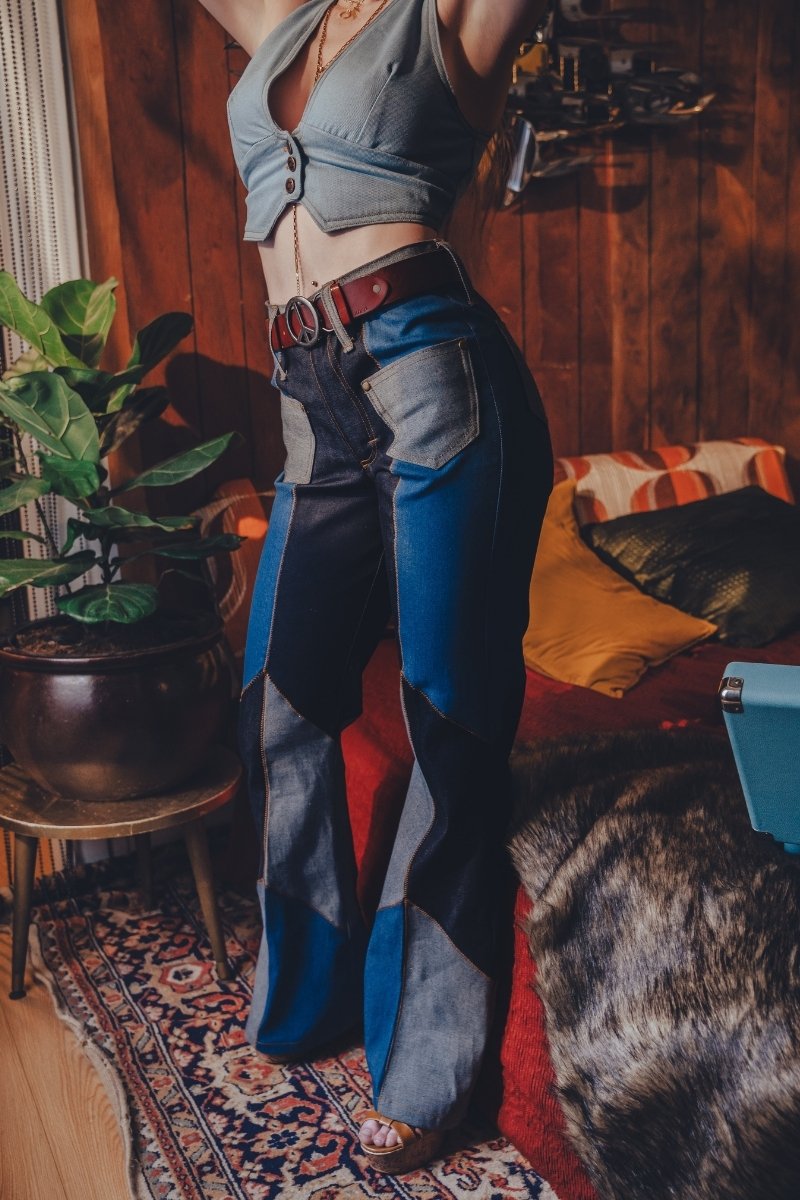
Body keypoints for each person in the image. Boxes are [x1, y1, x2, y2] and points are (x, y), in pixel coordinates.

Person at [197, 0, 553, 1175]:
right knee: (277, 705)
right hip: (312, 402)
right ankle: (309, 999)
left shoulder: (448, 18)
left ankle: (425, 1073)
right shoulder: (285, 16)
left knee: (448, 721)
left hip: (432, 375)